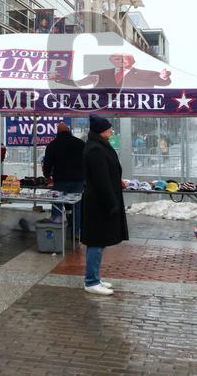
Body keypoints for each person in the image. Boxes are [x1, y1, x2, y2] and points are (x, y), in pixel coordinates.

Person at [81, 115, 128, 295]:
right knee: (96, 241)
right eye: (109, 128)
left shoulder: (98, 145)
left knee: (98, 242)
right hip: (99, 203)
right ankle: (91, 281)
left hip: (100, 200)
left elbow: (107, 174)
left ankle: (94, 278)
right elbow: (101, 180)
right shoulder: (95, 149)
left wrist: (118, 181)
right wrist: (112, 202)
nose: (112, 130)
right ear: (102, 130)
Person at [42, 123, 85, 235]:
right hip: (78, 180)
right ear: (69, 130)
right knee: (77, 206)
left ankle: (57, 232)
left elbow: (47, 163)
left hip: (60, 180)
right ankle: (76, 232)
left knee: (58, 204)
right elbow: (87, 161)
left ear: (58, 132)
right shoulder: (80, 143)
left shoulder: (53, 144)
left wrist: (47, 176)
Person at [57, 53, 171, 89]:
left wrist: (163, 77)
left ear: (132, 61)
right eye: (116, 59)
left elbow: (162, 82)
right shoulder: (100, 74)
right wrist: (60, 79)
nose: (121, 61)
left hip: (134, 113)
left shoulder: (145, 74)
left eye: (125, 59)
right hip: (106, 112)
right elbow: (80, 83)